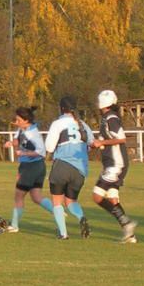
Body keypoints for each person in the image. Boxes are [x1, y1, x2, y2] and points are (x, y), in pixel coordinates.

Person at [90, 90, 138, 243]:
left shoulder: (111, 118)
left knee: (97, 196)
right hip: (112, 164)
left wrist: (101, 142)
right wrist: (96, 143)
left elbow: (121, 139)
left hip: (116, 164)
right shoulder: (106, 118)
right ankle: (129, 234)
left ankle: (127, 223)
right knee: (112, 198)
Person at [45, 96, 94, 239]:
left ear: (61, 108)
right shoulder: (84, 125)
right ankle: (81, 218)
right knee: (71, 201)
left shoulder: (58, 123)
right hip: (80, 169)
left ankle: (63, 233)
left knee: (57, 201)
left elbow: (49, 147)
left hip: (62, 165)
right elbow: (90, 145)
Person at [3, 107, 53, 233]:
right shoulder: (22, 129)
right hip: (32, 167)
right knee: (36, 197)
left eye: (18, 119)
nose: (16, 121)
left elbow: (40, 152)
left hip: (33, 167)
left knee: (19, 196)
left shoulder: (33, 134)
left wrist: (24, 153)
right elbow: (17, 140)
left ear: (26, 120)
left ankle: (14, 225)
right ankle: (57, 210)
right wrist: (11, 143)